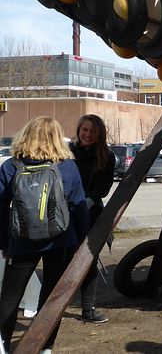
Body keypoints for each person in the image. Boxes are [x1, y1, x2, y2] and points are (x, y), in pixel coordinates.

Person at [0, 116, 89, 353]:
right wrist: (83, 241)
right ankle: (45, 347)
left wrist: (3, 243)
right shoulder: (67, 166)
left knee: (10, 296)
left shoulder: (10, 166)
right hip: (61, 241)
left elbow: (0, 209)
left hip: (21, 241)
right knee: (52, 298)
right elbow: (78, 206)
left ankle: (2, 345)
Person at [70, 114, 116, 324]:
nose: (87, 134)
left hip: (90, 214)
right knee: (60, 261)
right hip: (64, 214)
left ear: (99, 134)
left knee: (88, 262)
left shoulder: (106, 157)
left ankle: (88, 309)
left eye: (92, 131)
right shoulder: (67, 153)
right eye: (84, 130)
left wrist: (83, 206)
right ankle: (50, 307)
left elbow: (102, 189)